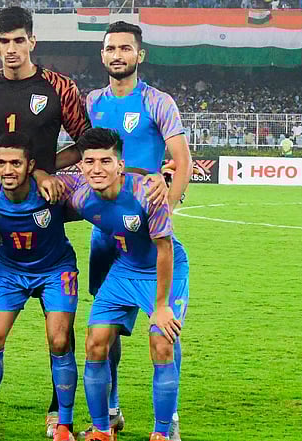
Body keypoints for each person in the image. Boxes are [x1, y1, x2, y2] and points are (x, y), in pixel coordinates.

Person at [0, 6, 91, 437]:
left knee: (59, 322)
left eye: (18, 40)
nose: (11, 49)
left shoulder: (58, 87)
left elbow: (86, 143)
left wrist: (46, 169)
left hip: (45, 211)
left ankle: (57, 409)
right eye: (3, 42)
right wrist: (0, 174)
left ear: (32, 41)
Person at [82, 21, 191, 441]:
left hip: (147, 226)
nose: (117, 55)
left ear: (139, 55)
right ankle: (109, 409)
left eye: (125, 48)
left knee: (163, 326)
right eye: (110, 48)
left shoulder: (158, 102)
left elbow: (180, 157)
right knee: (105, 328)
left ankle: (170, 417)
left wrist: (167, 203)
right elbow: (83, 150)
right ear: (103, 55)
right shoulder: (92, 101)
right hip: (106, 237)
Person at [52, 128, 188, 441]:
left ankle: (163, 433)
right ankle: (102, 428)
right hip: (123, 269)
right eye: (89, 162)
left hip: (164, 270)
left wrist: (162, 305)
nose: (96, 169)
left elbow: (164, 250)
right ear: (81, 166)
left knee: (162, 343)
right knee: (95, 342)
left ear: (120, 165)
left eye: (105, 161)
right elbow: (36, 178)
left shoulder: (146, 194)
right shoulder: (77, 190)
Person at [0, 132, 80, 441]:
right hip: (10, 272)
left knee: (59, 340)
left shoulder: (52, 190)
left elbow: (99, 186)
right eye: (1, 163)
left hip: (55, 270)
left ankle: (63, 424)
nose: (8, 170)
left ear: (30, 165)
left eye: (16, 163)